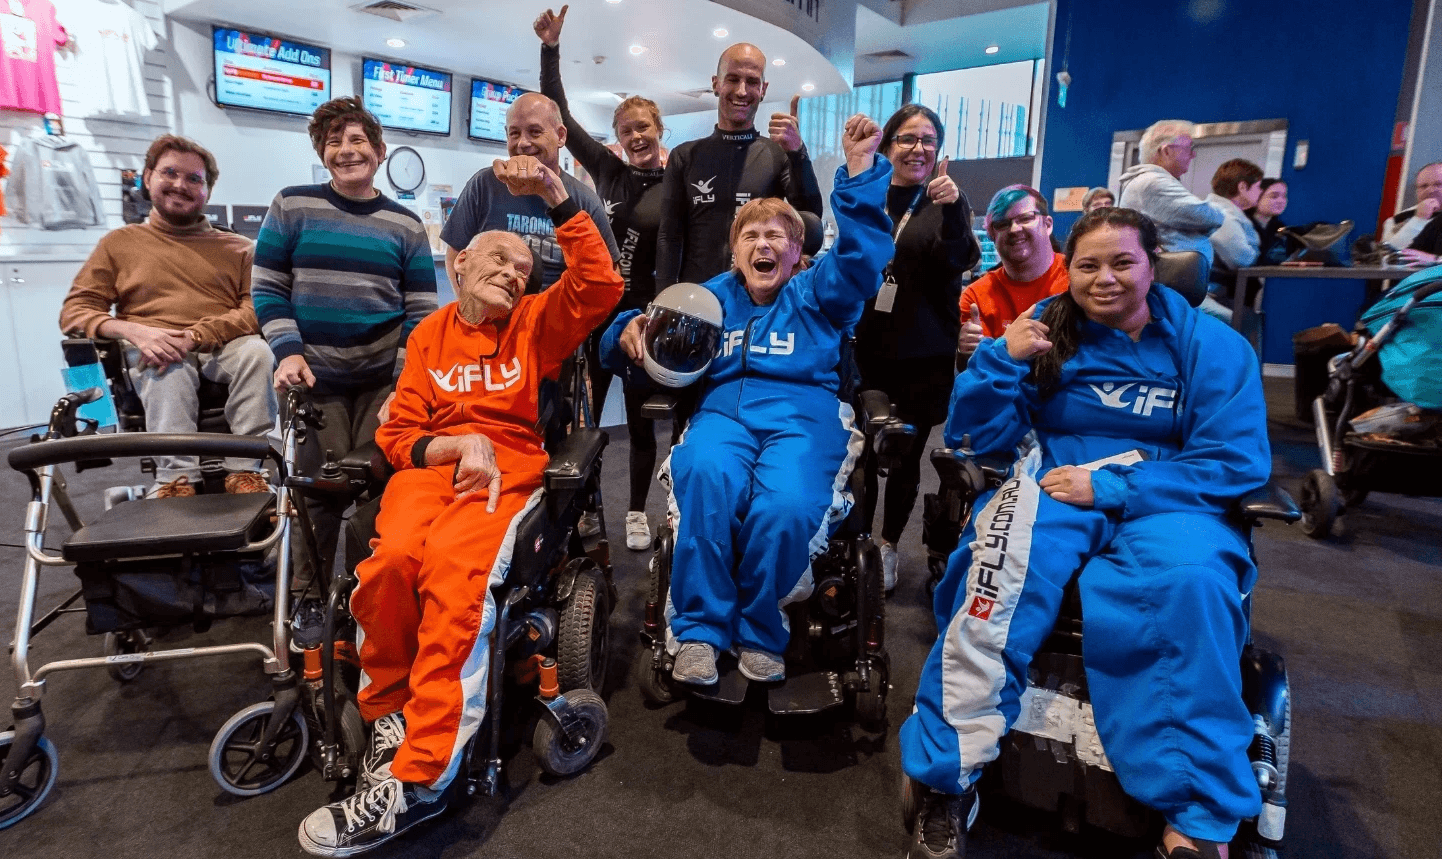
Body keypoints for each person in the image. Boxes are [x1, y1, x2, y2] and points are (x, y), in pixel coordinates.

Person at [900, 207, 1270, 859]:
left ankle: (1196, 811)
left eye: (1123, 261)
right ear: (1070, 268)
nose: (1105, 278)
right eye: (1090, 264)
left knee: (1190, 584)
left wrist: (1116, 488)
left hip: (1169, 489)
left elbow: (1235, 460)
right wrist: (999, 361)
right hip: (1053, 474)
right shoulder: (1043, 329)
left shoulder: (1213, 347)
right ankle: (946, 777)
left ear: (1154, 264)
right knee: (996, 582)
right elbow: (973, 433)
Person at [296, 154, 623, 857]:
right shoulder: (429, 334)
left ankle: (421, 778)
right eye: (500, 261)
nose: (514, 273)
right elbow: (397, 433)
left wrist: (557, 197)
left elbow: (601, 284)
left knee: (453, 579)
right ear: (461, 264)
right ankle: (388, 713)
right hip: (434, 471)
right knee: (384, 571)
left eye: (523, 270)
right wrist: (450, 445)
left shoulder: (536, 322)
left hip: (505, 476)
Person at [605, 113, 891, 686]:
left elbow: (861, 260)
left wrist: (858, 171)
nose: (762, 244)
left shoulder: (819, 291)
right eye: (749, 236)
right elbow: (643, 328)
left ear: (796, 252)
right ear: (734, 252)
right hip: (725, 410)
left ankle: (761, 627)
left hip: (805, 413)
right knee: (706, 476)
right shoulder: (711, 296)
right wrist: (628, 329)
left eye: (776, 236)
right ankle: (700, 631)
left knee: (784, 506)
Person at [252, 96, 439, 576]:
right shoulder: (291, 205)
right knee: (316, 492)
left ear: (378, 151)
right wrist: (287, 353)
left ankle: (366, 598)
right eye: (334, 141)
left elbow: (420, 313)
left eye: (357, 140)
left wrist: (403, 386)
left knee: (383, 489)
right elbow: (269, 288)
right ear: (321, 153)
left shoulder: (406, 224)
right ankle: (307, 598)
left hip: (382, 382)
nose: (346, 150)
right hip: (316, 382)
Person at [59, 134, 274, 497]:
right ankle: (177, 480)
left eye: (194, 179)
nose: (181, 185)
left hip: (222, 346)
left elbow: (254, 310)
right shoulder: (119, 244)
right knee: (166, 365)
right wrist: (136, 332)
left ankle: (245, 472)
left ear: (207, 190)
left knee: (259, 352)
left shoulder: (240, 248)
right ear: (147, 177)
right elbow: (76, 312)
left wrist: (195, 335)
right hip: (151, 348)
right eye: (170, 173)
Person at [535, 4, 668, 551]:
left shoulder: (676, 181)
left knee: (639, 422)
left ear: (659, 131)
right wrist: (551, 50)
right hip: (594, 314)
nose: (635, 135)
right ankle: (582, 510)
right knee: (583, 416)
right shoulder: (608, 171)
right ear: (616, 137)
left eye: (643, 127)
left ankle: (637, 510)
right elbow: (559, 113)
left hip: (641, 317)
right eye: (624, 129)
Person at [853, 103, 979, 592]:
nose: (918, 148)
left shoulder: (948, 200)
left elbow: (958, 259)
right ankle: (859, 540)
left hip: (926, 354)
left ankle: (888, 547)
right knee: (861, 453)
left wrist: (950, 210)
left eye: (928, 139)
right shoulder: (871, 197)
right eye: (907, 138)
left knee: (906, 461)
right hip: (869, 350)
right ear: (888, 146)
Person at [654, 41, 824, 289]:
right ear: (716, 84)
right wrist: (664, 299)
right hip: (699, 299)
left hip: (758, 299)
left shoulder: (777, 154)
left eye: (752, 81)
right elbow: (669, 237)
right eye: (732, 79)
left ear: (763, 89)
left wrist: (798, 153)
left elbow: (809, 220)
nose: (742, 91)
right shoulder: (684, 156)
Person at [442, 91, 619, 290]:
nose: (523, 143)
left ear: (560, 136)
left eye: (535, 132)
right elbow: (455, 254)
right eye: (514, 133)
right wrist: (469, 310)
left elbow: (609, 272)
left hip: (556, 315)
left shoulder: (584, 200)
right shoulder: (484, 185)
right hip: (492, 315)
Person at [955, 186, 1069, 362]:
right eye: (1002, 224)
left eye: (1025, 218)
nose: (1014, 229)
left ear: (1047, 224)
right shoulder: (975, 298)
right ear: (992, 235)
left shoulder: (1079, 278)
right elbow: (979, 373)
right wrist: (966, 352)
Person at [1118, 120, 1224, 280]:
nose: (1193, 154)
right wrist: (1209, 221)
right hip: (1168, 285)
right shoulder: (1153, 183)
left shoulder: (1156, 181)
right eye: (1189, 148)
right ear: (1166, 151)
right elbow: (1208, 216)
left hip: (1177, 280)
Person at [1204, 158, 1264, 317]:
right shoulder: (1222, 216)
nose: (1260, 192)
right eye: (1258, 187)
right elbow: (1243, 259)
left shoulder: (1217, 211)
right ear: (1243, 187)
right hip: (1219, 297)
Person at [1380, 161, 1442, 264]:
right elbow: (1388, 256)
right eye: (1423, 186)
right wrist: (1419, 220)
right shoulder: (1398, 220)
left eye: (1438, 184)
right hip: (1406, 279)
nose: (1430, 190)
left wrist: (1436, 260)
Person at [1246, 178, 1291, 265]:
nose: (1281, 201)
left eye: (1284, 196)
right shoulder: (1242, 222)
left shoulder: (1279, 227)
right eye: (1274, 196)